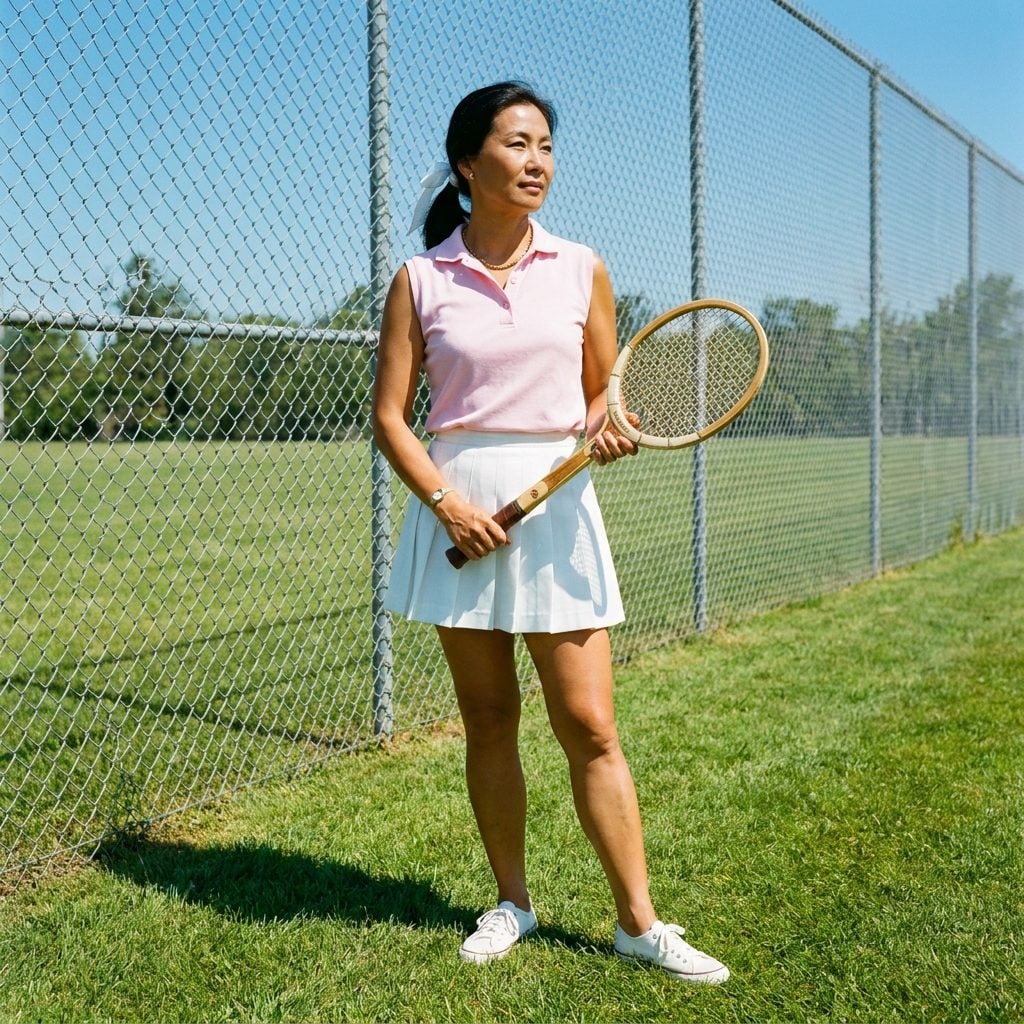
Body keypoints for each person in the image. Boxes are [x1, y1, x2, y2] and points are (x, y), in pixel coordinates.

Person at [371, 81, 728, 985]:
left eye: (546, 147)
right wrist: (446, 503)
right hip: (462, 507)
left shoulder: (581, 266)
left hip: (556, 513)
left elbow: (609, 394)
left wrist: (610, 426)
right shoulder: (420, 279)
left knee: (591, 724)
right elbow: (392, 418)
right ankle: (513, 903)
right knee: (489, 720)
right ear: (467, 163)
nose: (538, 162)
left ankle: (639, 923)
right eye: (518, 144)